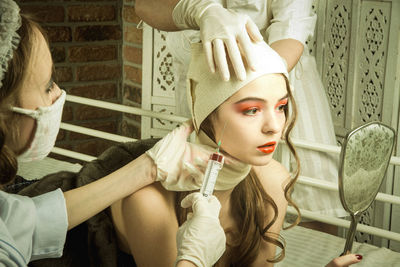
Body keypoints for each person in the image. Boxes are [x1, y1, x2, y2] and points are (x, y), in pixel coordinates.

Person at [0, 1, 226, 266]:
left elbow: (25, 222)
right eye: (48, 85)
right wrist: (193, 259)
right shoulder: (146, 205)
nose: (59, 93)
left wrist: (148, 168)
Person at [111, 41, 362, 266]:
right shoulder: (148, 200)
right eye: (252, 110)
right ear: (207, 116)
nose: (274, 126)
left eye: (281, 107)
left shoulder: (273, 181)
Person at [135, 0, 348, 234]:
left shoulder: (273, 115)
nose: (272, 127)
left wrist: (254, 95)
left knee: (314, 206)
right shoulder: (145, 203)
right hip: (207, 94)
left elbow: (292, 28)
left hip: (278, 80)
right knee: (208, 201)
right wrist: (198, 9)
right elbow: (145, 5)